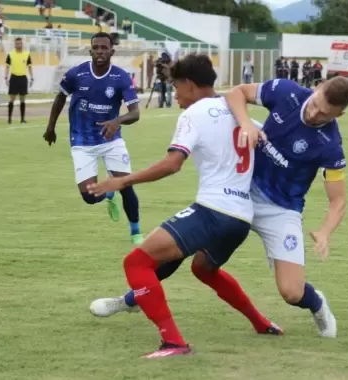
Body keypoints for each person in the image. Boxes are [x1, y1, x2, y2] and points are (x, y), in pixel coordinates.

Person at [92, 76, 348, 340]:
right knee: (180, 248)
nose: (314, 113)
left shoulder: (330, 145)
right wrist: (245, 124)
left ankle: (317, 304)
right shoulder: (287, 92)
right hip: (238, 192)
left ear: (340, 115)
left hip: (281, 209)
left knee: (291, 292)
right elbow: (237, 92)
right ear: (317, 88)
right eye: (315, 104)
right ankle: (131, 299)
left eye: (324, 114)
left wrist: (325, 232)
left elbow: (338, 200)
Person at [86, 53, 282, 358]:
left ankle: (173, 341)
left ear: (189, 84)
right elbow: (273, 149)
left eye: (176, 87)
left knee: (136, 262)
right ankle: (261, 323)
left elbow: (173, 163)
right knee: (204, 269)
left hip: (213, 211)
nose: (175, 95)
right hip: (241, 218)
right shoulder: (241, 114)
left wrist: (121, 181)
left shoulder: (195, 113)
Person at [42, 32, 144, 244]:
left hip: (111, 140)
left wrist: (117, 121)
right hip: (82, 141)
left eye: (104, 48)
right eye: (96, 47)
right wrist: (50, 127)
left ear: (111, 51)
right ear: (90, 51)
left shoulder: (121, 77)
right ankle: (108, 195)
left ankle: (136, 233)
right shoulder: (76, 75)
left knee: (126, 184)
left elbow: (135, 113)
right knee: (89, 197)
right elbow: (60, 96)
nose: (99, 51)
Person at [5, 37, 34, 124]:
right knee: (12, 99)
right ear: (14, 44)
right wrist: (6, 77)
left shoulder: (27, 54)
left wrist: (32, 77)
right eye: (17, 44)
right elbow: (7, 67)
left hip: (23, 78)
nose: (18, 45)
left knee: (22, 99)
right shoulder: (10, 54)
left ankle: (22, 119)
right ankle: (9, 119)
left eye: (20, 43)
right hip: (14, 77)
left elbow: (30, 67)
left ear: (22, 44)